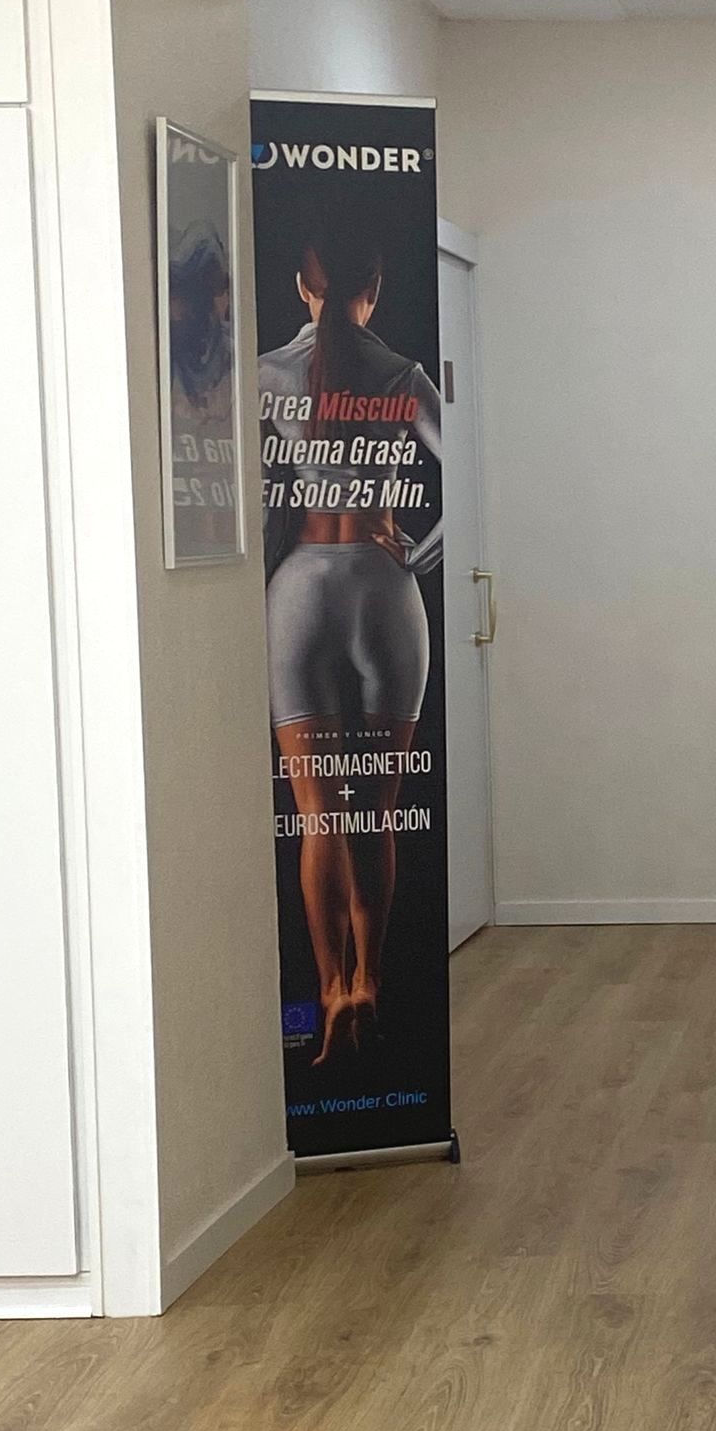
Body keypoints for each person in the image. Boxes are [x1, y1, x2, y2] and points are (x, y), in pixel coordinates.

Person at [259, 208, 442, 1066]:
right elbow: (472, 475)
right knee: (377, 808)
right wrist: (422, 555)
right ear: (374, 288)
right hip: (384, 592)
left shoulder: (267, 374)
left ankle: (331, 988)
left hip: (299, 593)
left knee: (317, 813)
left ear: (305, 287)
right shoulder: (402, 375)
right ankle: (372, 980)